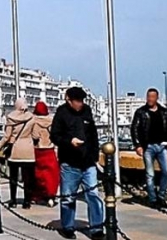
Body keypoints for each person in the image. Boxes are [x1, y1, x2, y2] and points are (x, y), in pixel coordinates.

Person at [50, 86, 105, 240]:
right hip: (69, 163)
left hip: (88, 162)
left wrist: (94, 154)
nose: (80, 103)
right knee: (68, 197)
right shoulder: (61, 113)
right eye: (77, 101)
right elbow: (54, 136)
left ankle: (96, 228)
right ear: (68, 100)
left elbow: (93, 134)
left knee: (93, 195)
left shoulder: (87, 111)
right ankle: (67, 226)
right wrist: (69, 142)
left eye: (82, 100)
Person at [130, 87, 167, 209]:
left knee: (166, 172)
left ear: (157, 98)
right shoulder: (141, 112)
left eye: (152, 97)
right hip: (148, 147)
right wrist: (138, 145)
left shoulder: (164, 112)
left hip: (162, 146)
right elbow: (134, 129)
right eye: (148, 97)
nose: (150, 99)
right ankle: (152, 199)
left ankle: (161, 197)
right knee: (150, 174)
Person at [2, 98, 36, 208]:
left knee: (13, 177)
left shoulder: (11, 117)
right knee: (28, 179)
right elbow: (35, 135)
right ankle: (27, 201)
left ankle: (13, 200)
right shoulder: (31, 117)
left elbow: (7, 136)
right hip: (28, 150)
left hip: (15, 150)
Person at [31, 101, 59, 207]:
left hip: (38, 150)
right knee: (51, 174)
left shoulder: (34, 121)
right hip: (49, 149)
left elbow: (34, 136)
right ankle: (51, 195)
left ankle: (40, 196)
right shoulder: (52, 120)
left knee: (39, 174)